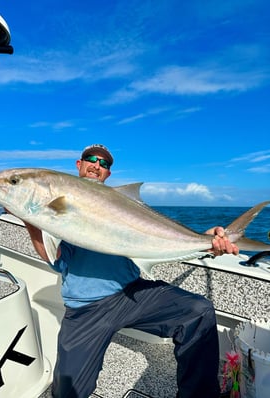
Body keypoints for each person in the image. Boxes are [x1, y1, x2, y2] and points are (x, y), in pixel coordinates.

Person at [25, 144, 239, 398]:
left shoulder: (124, 204)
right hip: (86, 308)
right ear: (79, 164)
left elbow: (156, 235)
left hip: (131, 295)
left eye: (104, 164)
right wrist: (31, 220)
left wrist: (205, 241)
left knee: (198, 312)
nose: (97, 165)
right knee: (67, 392)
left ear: (108, 174)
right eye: (91, 159)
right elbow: (56, 259)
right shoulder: (63, 207)